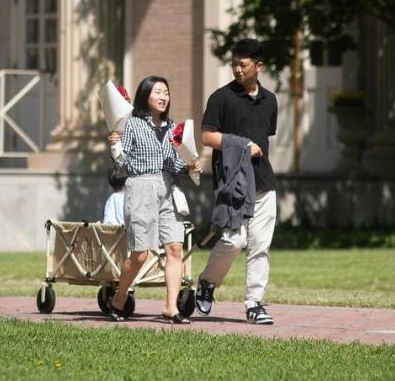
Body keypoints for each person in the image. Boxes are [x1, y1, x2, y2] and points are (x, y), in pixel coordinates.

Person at [195, 38, 278, 325]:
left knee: (260, 245)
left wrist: (253, 149)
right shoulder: (221, 98)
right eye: (234, 65)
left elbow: (267, 137)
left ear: (259, 66)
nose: (238, 70)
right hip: (233, 183)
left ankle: (254, 303)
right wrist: (242, 144)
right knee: (233, 241)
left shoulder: (270, 100)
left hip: (264, 183)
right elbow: (206, 137)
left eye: (243, 65)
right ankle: (207, 282)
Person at [106, 75, 201, 324]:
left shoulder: (173, 127)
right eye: (158, 92)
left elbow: (175, 163)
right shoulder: (131, 124)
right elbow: (122, 162)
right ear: (145, 95)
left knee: (175, 248)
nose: (163, 97)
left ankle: (170, 307)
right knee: (140, 254)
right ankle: (119, 298)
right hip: (140, 187)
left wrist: (191, 164)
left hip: (169, 187)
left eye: (166, 93)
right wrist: (115, 146)